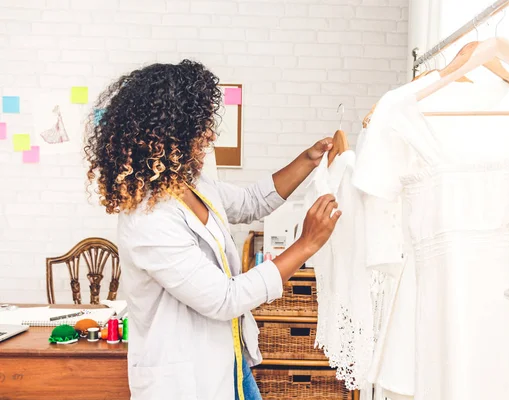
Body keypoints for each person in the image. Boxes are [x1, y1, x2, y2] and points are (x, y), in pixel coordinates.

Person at [84, 60, 341, 400]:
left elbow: (251, 201)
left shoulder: (191, 184)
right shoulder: (148, 220)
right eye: (199, 127)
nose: (210, 135)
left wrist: (308, 160)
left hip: (230, 361)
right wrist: (305, 245)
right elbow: (224, 298)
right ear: (164, 138)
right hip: (184, 381)